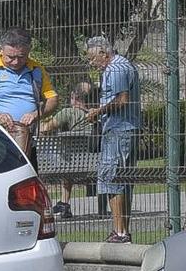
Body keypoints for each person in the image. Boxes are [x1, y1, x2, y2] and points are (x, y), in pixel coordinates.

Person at [82, 36, 139, 243]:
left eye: (92, 58)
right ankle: (122, 230)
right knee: (122, 181)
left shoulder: (115, 69)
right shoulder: (121, 65)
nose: (91, 63)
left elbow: (122, 100)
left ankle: (120, 232)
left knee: (112, 179)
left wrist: (98, 111)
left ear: (103, 54)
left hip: (118, 130)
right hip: (123, 129)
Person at [0, 29, 57, 160]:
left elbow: (52, 99)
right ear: (1, 49)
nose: (16, 62)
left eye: (22, 57)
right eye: (10, 57)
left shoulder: (37, 70)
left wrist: (36, 114)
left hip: (25, 141)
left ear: (29, 50)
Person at [39, 82, 99, 217]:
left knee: (40, 159)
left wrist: (41, 122)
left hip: (68, 162)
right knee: (69, 159)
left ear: (73, 96)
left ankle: (44, 205)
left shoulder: (68, 112)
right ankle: (64, 203)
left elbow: (45, 129)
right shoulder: (96, 115)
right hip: (90, 161)